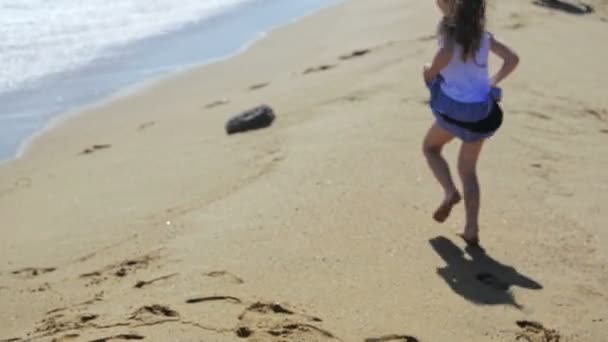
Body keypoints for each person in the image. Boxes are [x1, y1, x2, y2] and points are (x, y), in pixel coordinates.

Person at [422, 0, 519, 246]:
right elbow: (513, 59)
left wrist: (429, 72)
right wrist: (493, 80)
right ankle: (471, 229)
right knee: (468, 171)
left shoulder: (449, 39)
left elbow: (441, 61)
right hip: (481, 114)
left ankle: (449, 191)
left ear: (449, 7)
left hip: (454, 111)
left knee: (431, 148)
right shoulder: (484, 37)